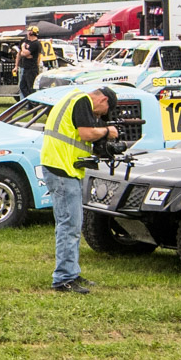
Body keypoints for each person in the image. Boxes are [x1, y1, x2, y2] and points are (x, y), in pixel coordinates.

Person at [38, 86, 124, 294]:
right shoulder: (83, 100)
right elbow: (85, 133)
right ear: (103, 100)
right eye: (101, 113)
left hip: (64, 168)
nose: (98, 117)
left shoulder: (73, 98)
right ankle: (64, 279)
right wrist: (107, 131)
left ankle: (71, 271)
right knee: (70, 225)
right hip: (62, 170)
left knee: (71, 224)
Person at [16, 26, 44, 100]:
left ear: (32, 32)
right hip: (26, 68)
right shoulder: (27, 41)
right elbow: (22, 54)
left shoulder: (36, 43)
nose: (27, 33)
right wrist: (24, 52)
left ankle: (34, 103)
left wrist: (23, 48)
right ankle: (30, 102)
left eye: (29, 31)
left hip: (32, 68)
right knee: (22, 86)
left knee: (31, 87)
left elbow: (25, 54)